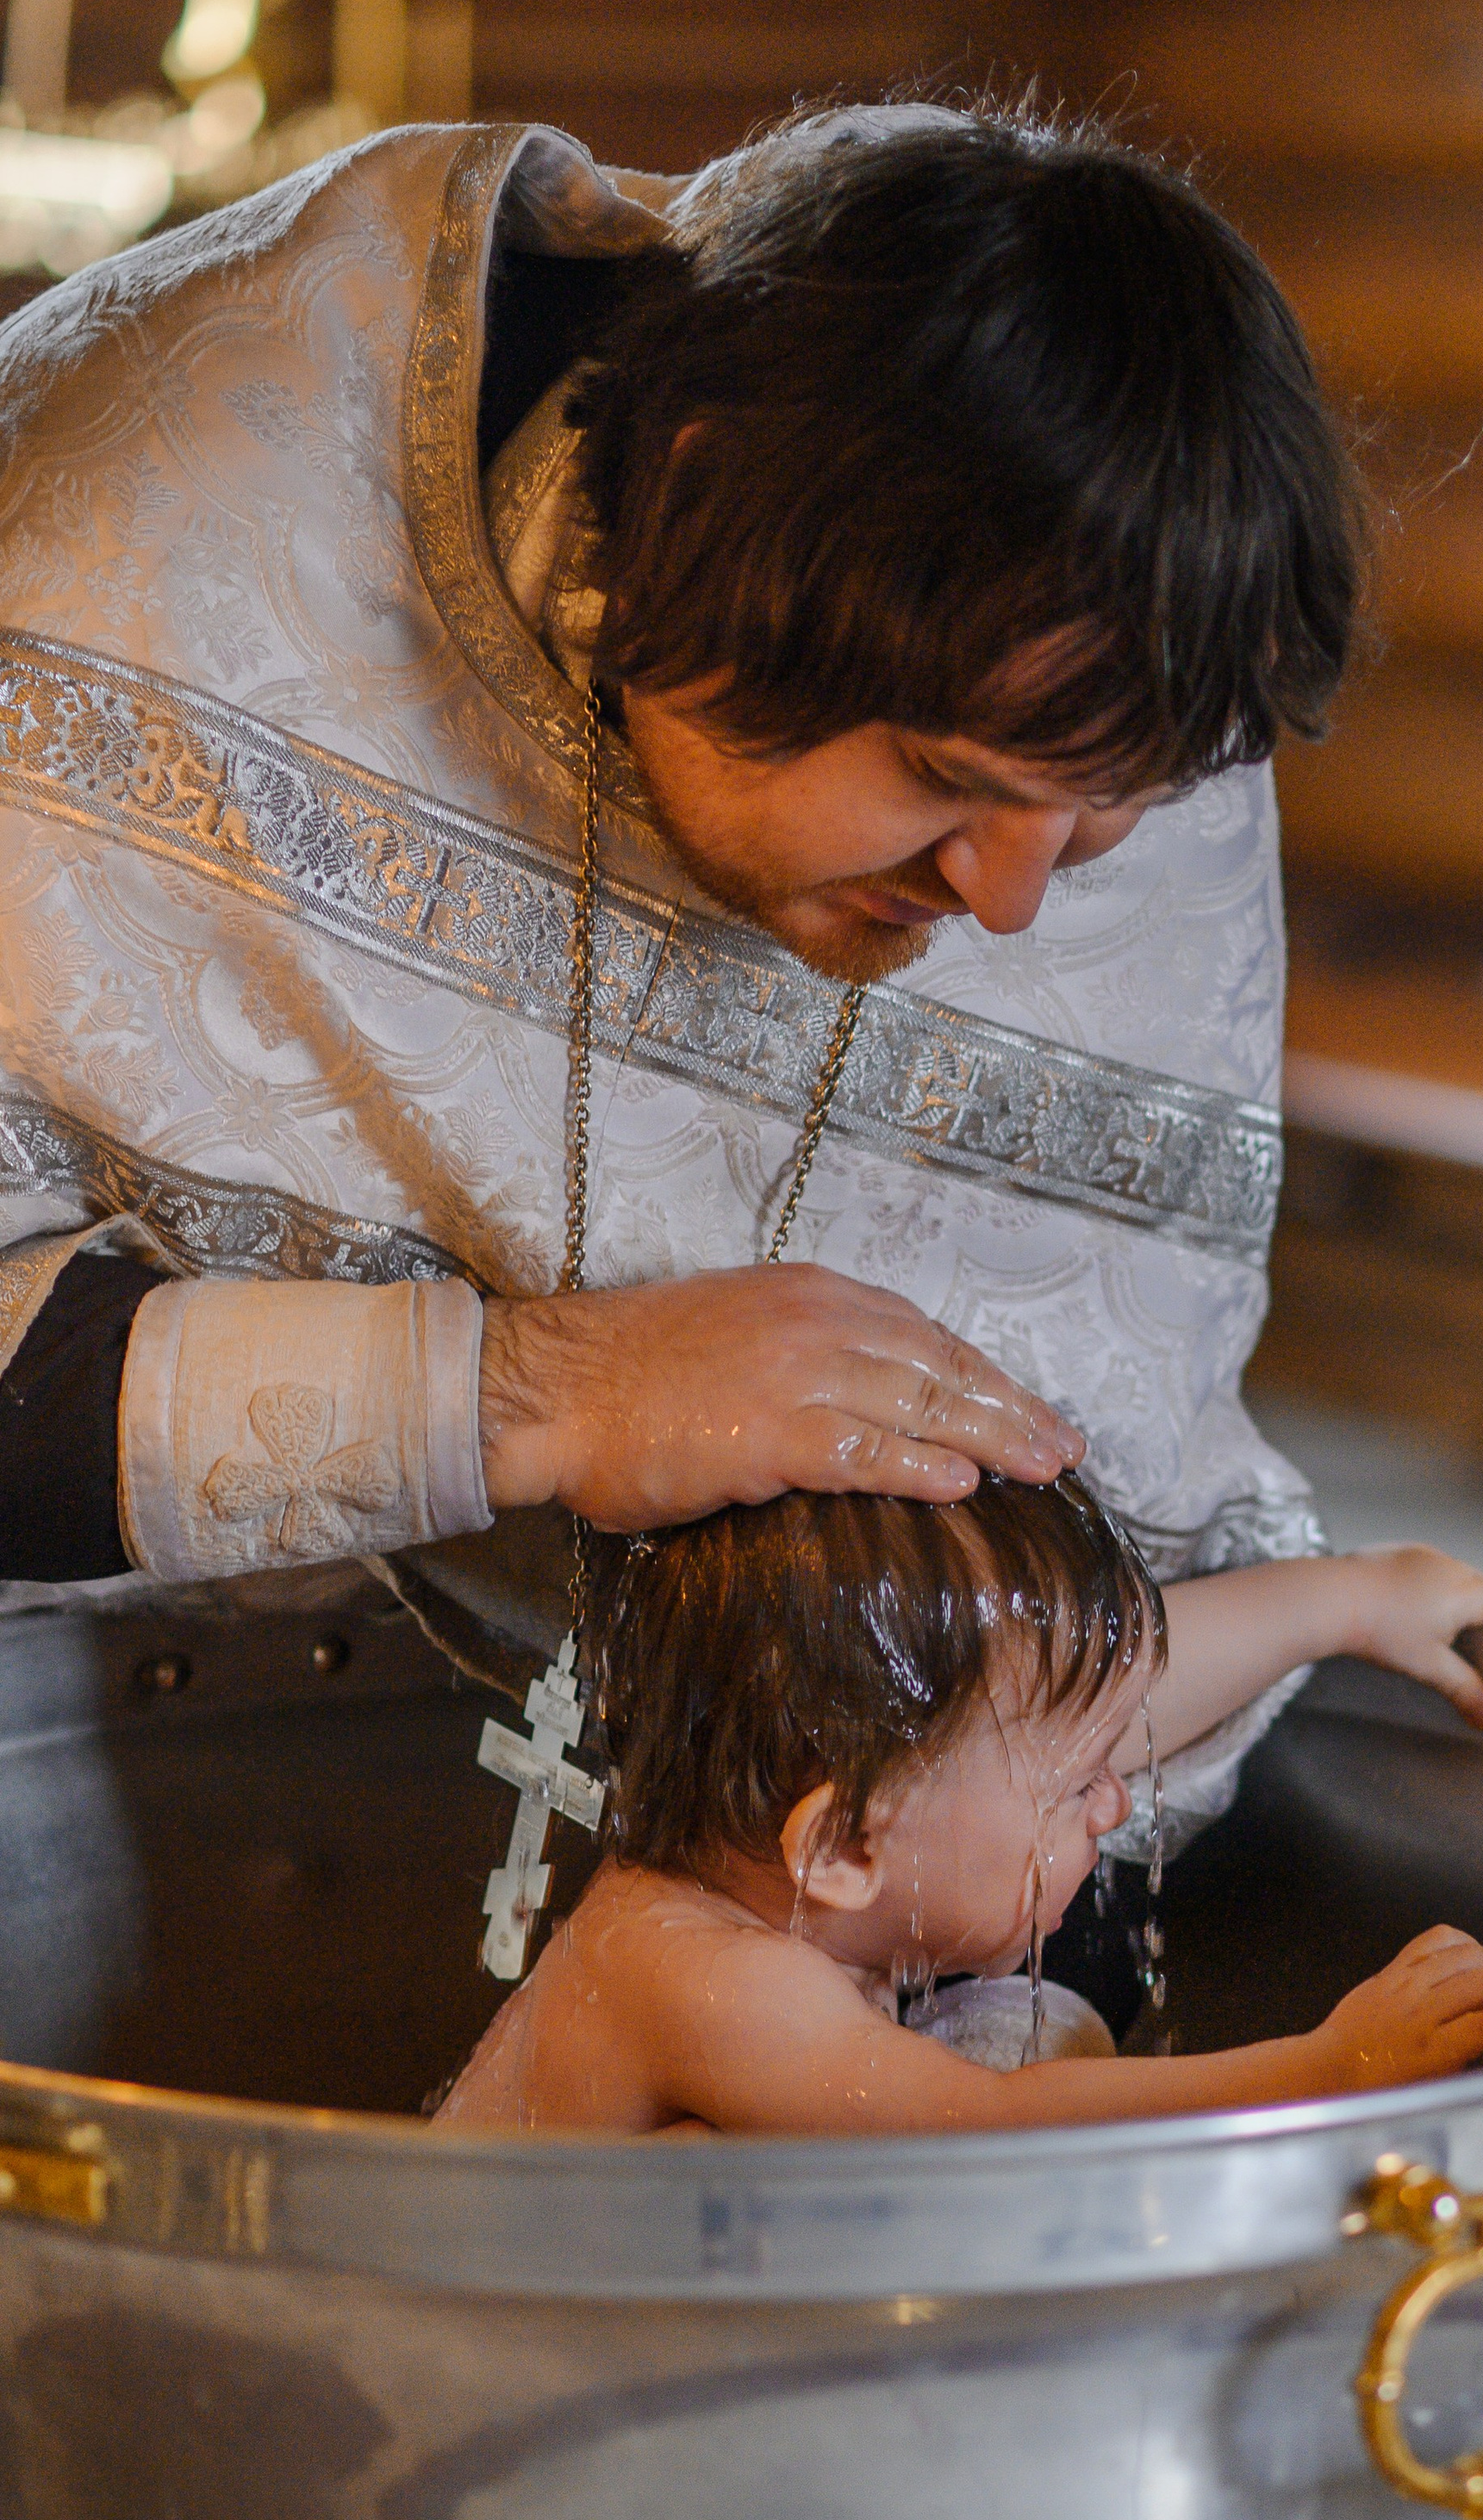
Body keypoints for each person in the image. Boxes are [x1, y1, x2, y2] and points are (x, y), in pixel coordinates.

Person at [0, 96, 1364, 1871]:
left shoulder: (1114, 657)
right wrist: (535, 1392)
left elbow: (1111, 1518)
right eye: (944, 780)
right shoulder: (121, 550)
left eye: (1101, 819)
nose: (1013, 905)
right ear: (707, 505)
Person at [435, 1476, 1483, 2133]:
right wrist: (1325, 2067)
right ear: (847, 1845)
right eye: (1074, 1789)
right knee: (1033, 2058)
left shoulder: (777, 1870)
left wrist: (1343, 1602)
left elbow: (1092, 1699)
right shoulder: (707, 1980)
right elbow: (990, 2140)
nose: (1117, 1803)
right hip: (469, 2365)